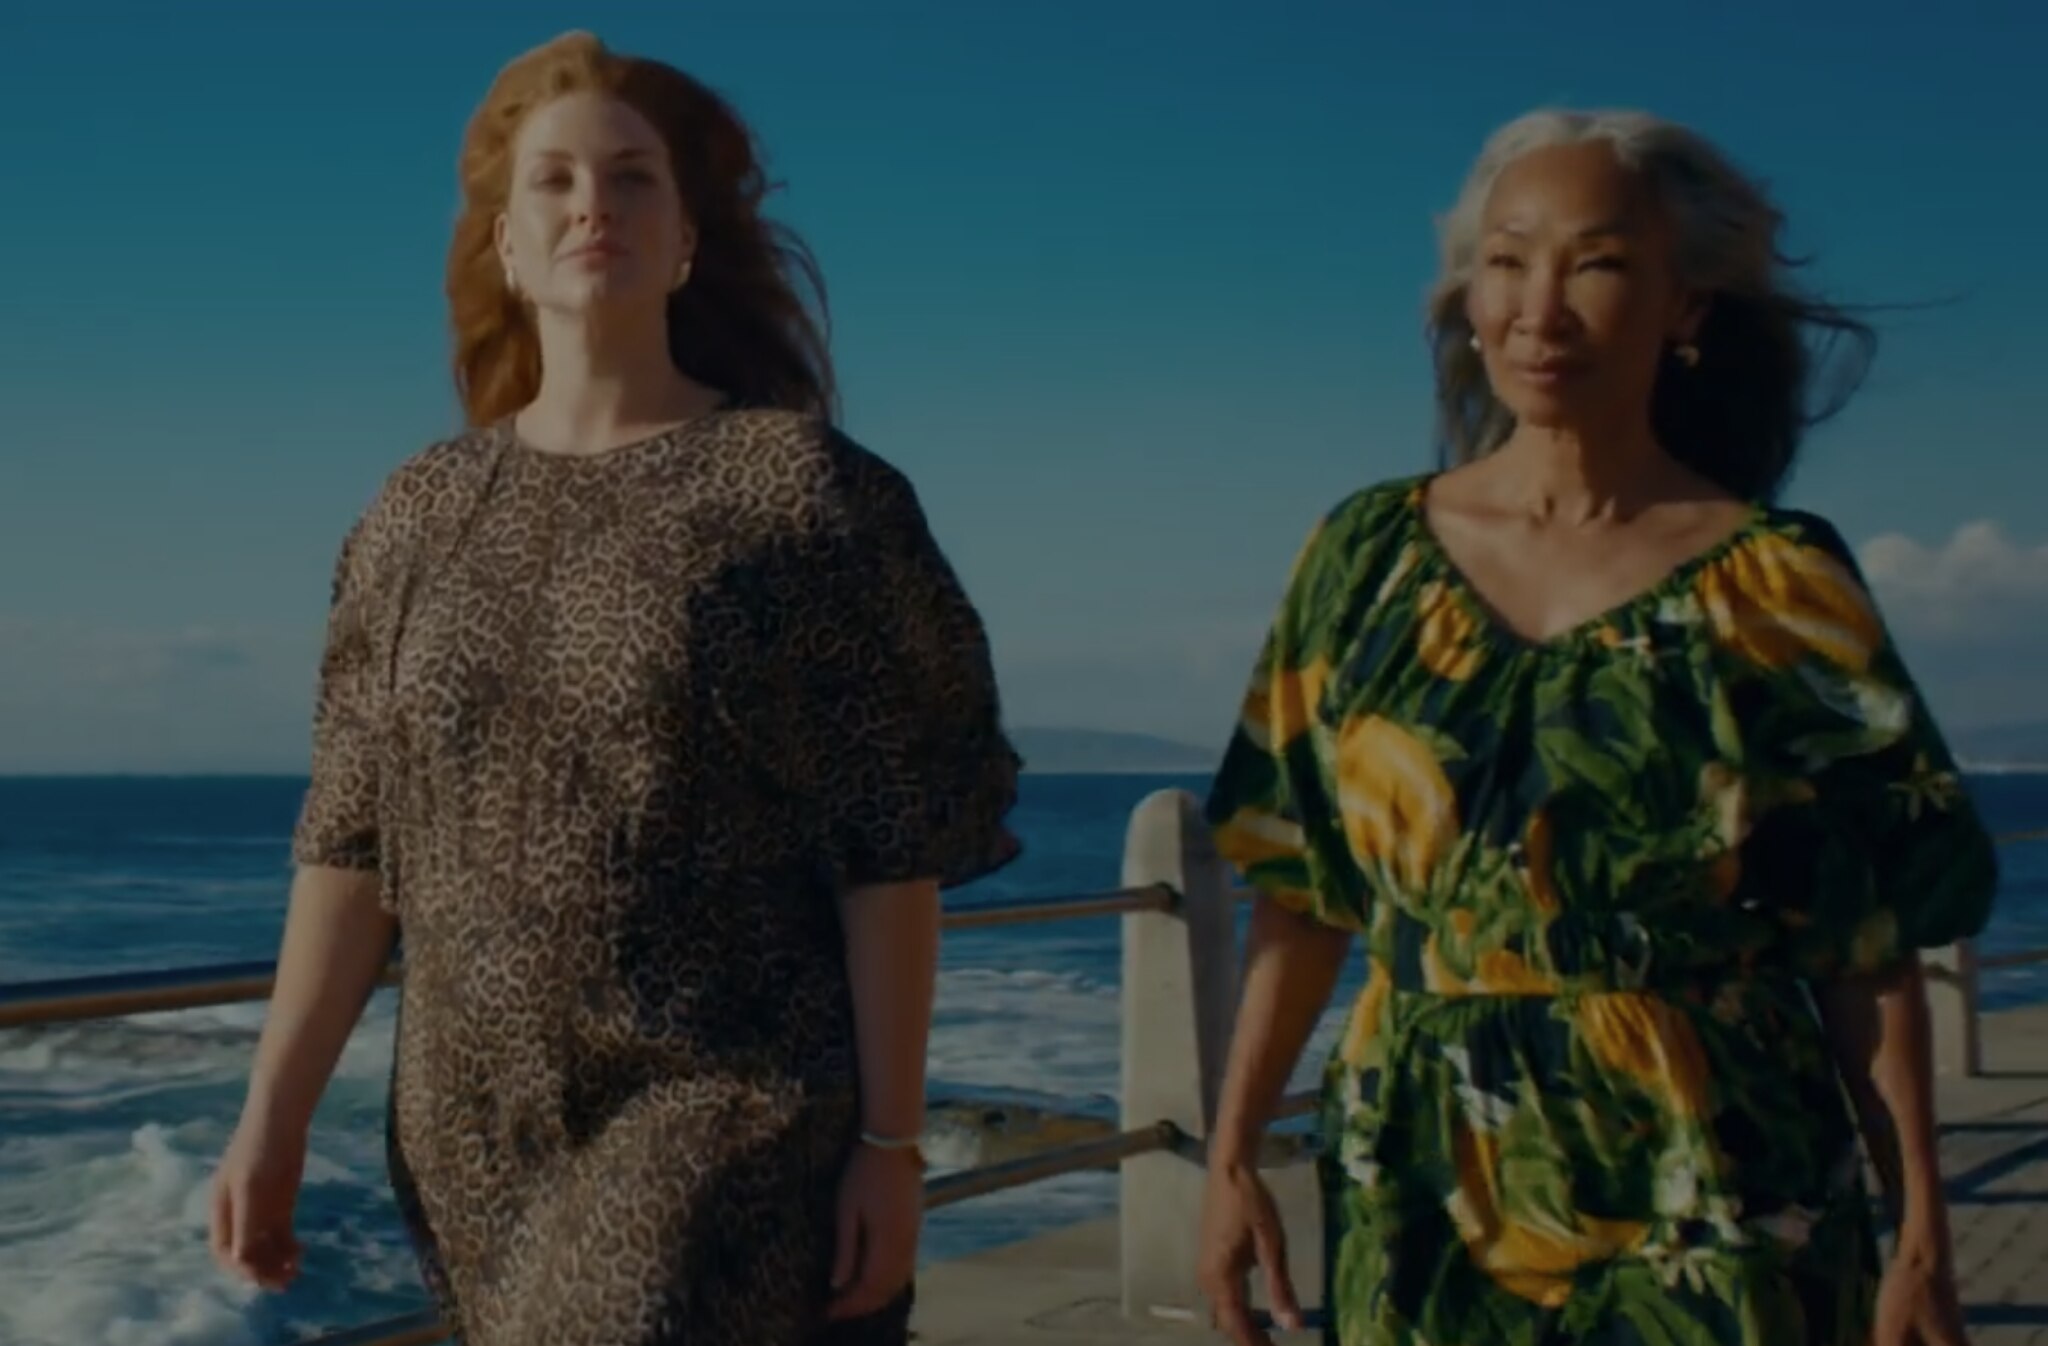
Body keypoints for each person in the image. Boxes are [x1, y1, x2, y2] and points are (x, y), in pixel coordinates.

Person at [206, 31, 1022, 1346]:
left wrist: (891, 1141)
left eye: (635, 178)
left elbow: (892, 849)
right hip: (477, 1140)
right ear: (508, 246)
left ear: (687, 237)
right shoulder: (415, 516)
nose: (596, 205)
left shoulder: (802, 495)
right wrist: (273, 1117)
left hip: (724, 1113)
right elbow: (350, 839)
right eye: (557, 182)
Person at [1196, 108, 1997, 1346]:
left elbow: (1862, 941)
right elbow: (1299, 888)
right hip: (1423, 1170)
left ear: (1686, 307)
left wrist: (1921, 1224)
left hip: (1716, 1174)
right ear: (1467, 294)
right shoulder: (1361, 558)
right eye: (1507, 259)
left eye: (1598, 262)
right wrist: (1234, 1153)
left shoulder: (1779, 584)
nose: (1539, 307)